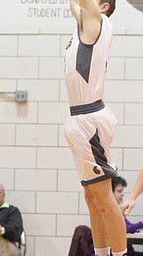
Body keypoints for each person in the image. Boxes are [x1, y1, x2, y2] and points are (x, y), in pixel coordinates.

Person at [63, 0, 128, 255]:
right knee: (92, 197)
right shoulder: (84, 24)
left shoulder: (97, 23)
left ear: (102, 6)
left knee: (103, 196)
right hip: (80, 119)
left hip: (90, 119)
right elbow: (74, 5)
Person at [68, 176, 143, 256]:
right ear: (111, 192)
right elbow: (126, 228)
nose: (122, 194)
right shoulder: (107, 209)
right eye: (119, 191)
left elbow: (124, 227)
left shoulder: (116, 211)